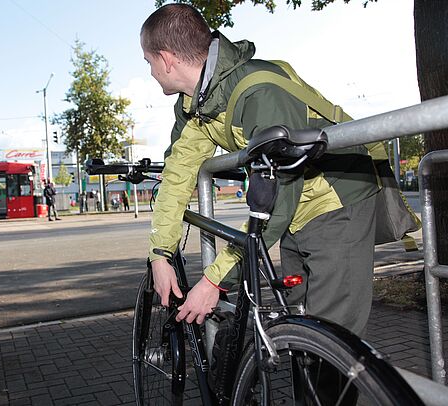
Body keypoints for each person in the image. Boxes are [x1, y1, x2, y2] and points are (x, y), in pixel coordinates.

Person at [141, 4, 379, 337]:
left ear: (166, 59)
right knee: (302, 328)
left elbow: (276, 195)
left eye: (149, 62)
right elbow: (177, 177)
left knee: (331, 337)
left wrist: (215, 281)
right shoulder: (194, 104)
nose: (150, 72)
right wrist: (160, 254)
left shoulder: (260, 91)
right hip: (293, 210)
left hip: (336, 198)